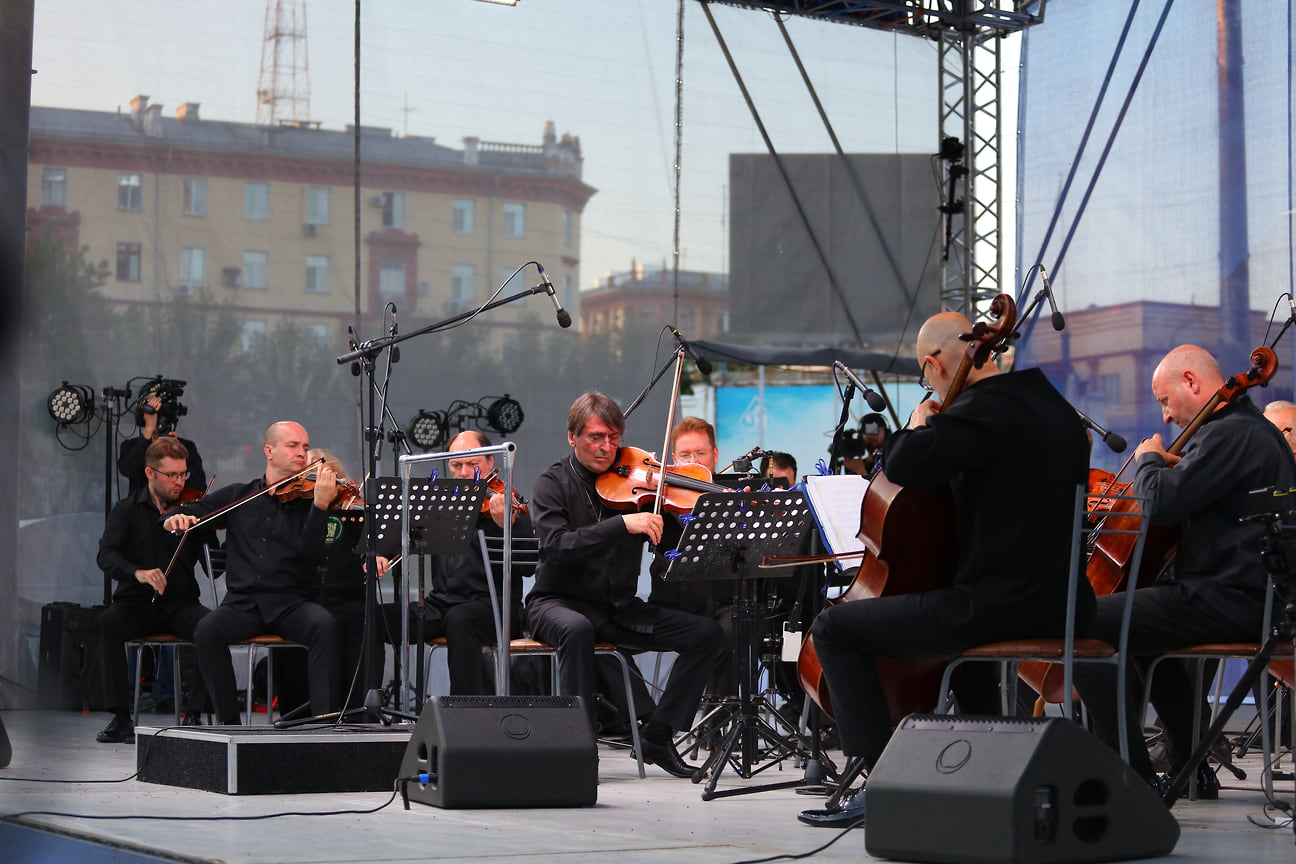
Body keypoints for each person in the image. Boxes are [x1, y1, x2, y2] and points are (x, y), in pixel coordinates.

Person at [799, 312, 1094, 825]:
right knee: (963, 646)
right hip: (1067, 605)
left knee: (834, 629)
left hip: (1002, 606)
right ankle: (986, 777)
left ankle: (885, 782)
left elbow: (908, 464)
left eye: (924, 373)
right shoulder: (1055, 408)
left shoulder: (982, 410)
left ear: (934, 364)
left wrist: (913, 428)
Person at [1074, 345, 1296, 796]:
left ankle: (1129, 777)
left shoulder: (1227, 434)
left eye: (1164, 400)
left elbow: (1160, 503)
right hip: (1245, 596)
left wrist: (1151, 460)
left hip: (1229, 599)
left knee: (1081, 620)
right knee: (1148, 640)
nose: (1167, 418)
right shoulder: (1247, 432)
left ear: (1192, 382)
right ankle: (1189, 766)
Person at [525, 392, 726, 777]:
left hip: (616, 608)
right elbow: (557, 546)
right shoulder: (552, 482)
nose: (607, 448)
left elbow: (671, 545)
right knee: (578, 629)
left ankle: (658, 735)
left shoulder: (639, 486)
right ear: (572, 437)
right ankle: (577, 747)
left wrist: (709, 512)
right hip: (556, 604)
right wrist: (621, 524)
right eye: (596, 437)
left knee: (707, 634)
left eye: (614, 438)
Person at [163, 421, 343, 725]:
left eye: (304, 446)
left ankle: (324, 722)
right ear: (269, 451)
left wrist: (321, 507)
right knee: (207, 630)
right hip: (243, 605)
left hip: (291, 603)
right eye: (293, 446)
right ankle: (229, 724)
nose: (302, 453)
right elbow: (191, 510)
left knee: (324, 625)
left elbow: (312, 554)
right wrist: (173, 518)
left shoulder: (309, 501)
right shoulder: (238, 495)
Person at [385, 430, 536, 696]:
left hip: (494, 608)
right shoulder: (441, 502)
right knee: (375, 619)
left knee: (460, 619)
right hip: (440, 604)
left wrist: (505, 529)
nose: (464, 472)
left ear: (491, 462)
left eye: (472, 464)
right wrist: (382, 553)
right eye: (456, 465)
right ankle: (359, 712)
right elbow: (403, 538)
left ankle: (464, 712)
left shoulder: (510, 503)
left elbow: (527, 567)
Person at [92, 437, 216, 743]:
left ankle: (194, 714)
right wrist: (138, 573)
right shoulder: (127, 510)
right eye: (171, 475)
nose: (178, 482)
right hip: (137, 604)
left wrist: (207, 526)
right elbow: (106, 556)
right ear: (150, 474)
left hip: (181, 605)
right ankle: (121, 717)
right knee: (106, 624)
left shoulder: (190, 510)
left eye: (182, 474)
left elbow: (216, 563)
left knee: (214, 627)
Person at [118, 385, 206, 497]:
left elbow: (198, 486)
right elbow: (129, 470)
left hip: (175, 511)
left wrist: (176, 452)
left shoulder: (186, 447)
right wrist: (148, 430)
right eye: (153, 412)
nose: (158, 417)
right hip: (142, 512)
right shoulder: (131, 446)